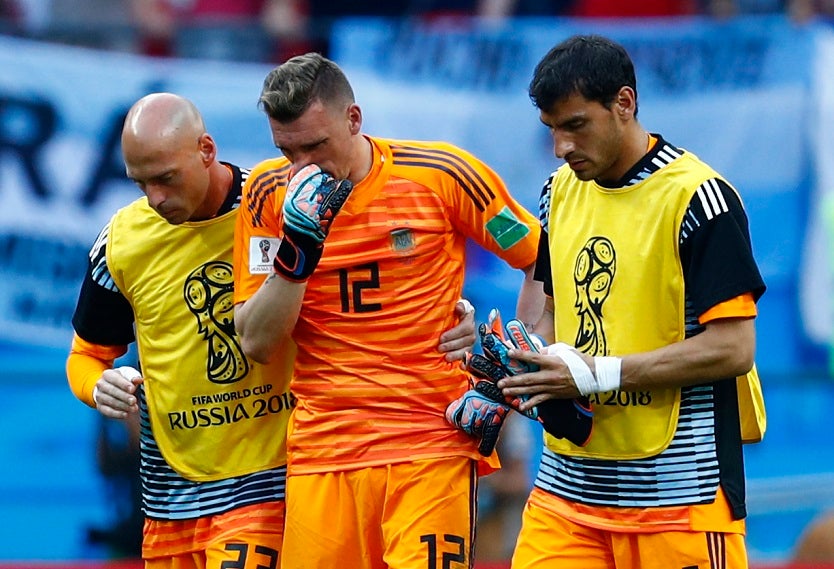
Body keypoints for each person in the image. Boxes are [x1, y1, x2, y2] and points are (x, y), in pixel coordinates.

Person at [65, 91, 480, 568]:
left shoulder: (279, 204)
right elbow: (86, 355)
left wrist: (454, 311)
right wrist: (96, 385)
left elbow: (382, 263)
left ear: (206, 149)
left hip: (270, 480)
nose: (156, 198)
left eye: (166, 179)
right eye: (141, 184)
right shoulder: (121, 243)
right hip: (170, 498)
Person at [232, 52, 543, 568]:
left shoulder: (443, 176)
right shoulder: (267, 193)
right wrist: (298, 251)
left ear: (354, 120)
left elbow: (540, 259)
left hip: (431, 440)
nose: (303, 168)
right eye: (288, 152)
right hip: (324, 450)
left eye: (316, 146)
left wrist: (513, 361)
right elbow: (257, 343)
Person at [493, 35, 766, 569]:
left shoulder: (700, 198)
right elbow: (550, 311)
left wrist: (596, 375)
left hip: (677, 503)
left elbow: (733, 349)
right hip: (565, 498)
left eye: (575, 125)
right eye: (552, 130)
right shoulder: (558, 191)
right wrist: (511, 359)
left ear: (624, 103)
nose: (561, 147)